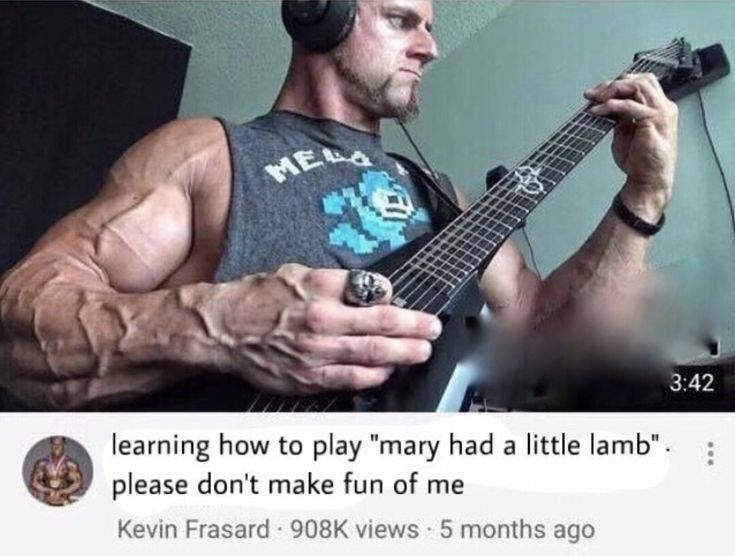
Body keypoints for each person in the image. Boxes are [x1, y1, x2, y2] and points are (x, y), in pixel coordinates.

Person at [0, 0, 678, 410]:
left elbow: (554, 337)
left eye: (430, 26)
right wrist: (222, 323)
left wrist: (642, 194)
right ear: (318, 14)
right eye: (402, 20)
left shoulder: (446, 199)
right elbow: (22, 329)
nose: (430, 47)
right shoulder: (207, 153)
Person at [29, 436, 84, 506]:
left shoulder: (71, 464)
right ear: (51, 445)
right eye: (54, 444)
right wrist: (48, 490)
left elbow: (78, 483)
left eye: (59, 444)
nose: (57, 447)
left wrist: (62, 492)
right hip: (47, 502)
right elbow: (34, 483)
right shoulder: (42, 463)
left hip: (64, 503)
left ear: (64, 445)